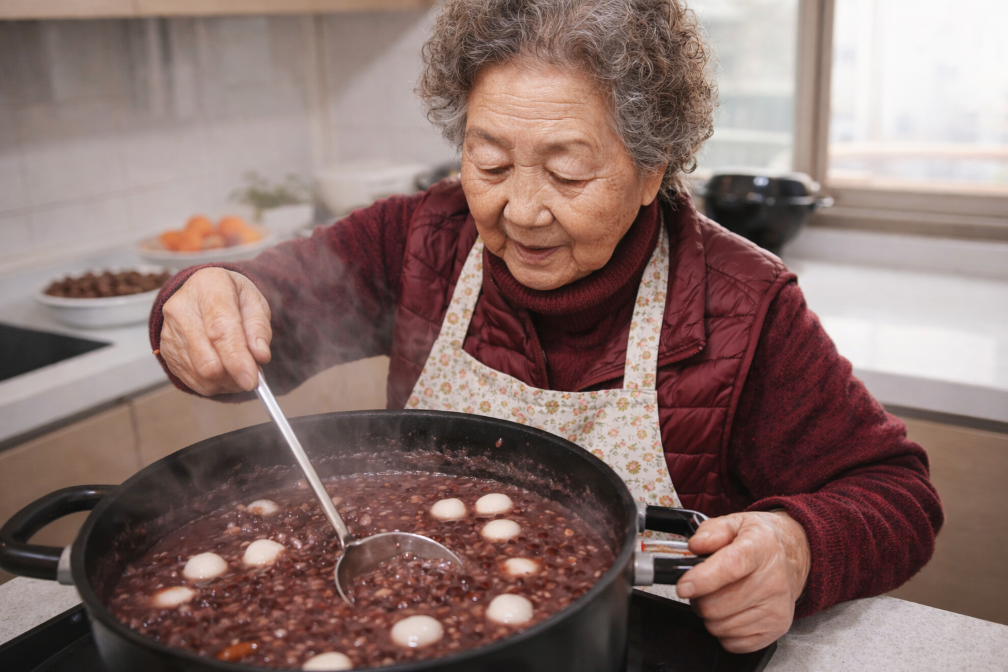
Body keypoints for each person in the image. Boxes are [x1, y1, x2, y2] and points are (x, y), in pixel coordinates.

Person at [150, 0, 943, 653]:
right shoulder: (422, 238)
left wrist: (797, 548)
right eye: (489, 162)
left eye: (567, 172)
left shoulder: (741, 304)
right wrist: (205, 296)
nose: (519, 210)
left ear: (651, 169)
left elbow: (897, 493)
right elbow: (265, 313)